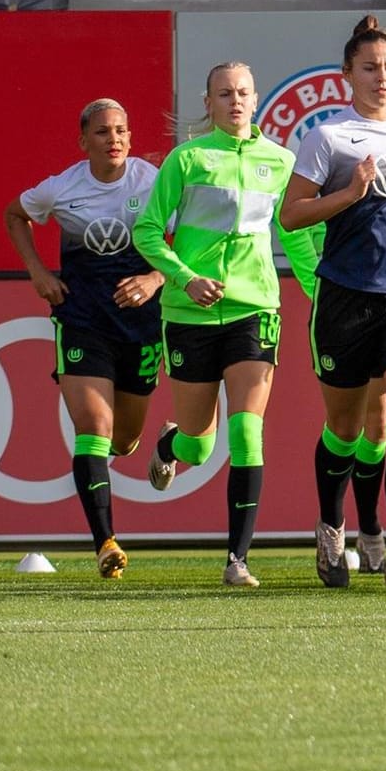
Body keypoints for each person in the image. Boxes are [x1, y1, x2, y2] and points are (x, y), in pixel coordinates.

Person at [280, 17, 386, 590]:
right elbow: (291, 215)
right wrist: (348, 194)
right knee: (345, 430)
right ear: (347, 73)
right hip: (345, 297)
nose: (381, 78)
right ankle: (330, 525)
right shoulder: (328, 137)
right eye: (370, 68)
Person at [133, 63, 295, 588]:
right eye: (224, 93)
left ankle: (237, 559)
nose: (235, 101)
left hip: (255, 309)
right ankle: (168, 445)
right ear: (208, 102)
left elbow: (296, 235)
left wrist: (317, 288)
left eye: (243, 92)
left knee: (247, 432)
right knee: (199, 446)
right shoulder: (188, 158)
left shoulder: (282, 161)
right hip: (189, 312)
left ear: (255, 99)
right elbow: (149, 231)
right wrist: (184, 278)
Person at [4, 99, 163, 579]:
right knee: (93, 426)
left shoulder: (153, 183)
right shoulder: (62, 188)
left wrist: (155, 279)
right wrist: (37, 271)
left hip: (140, 324)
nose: (113, 139)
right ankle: (106, 544)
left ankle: (160, 443)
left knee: (125, 438)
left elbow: (186, 242)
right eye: (101, 132)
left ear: (131, 139)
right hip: (82, 321)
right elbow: (15, 214)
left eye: (121, 131)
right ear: (83, 141)